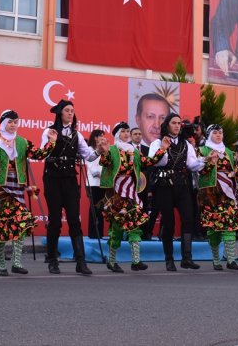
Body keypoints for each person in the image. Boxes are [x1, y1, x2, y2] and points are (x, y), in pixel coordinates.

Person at [0, 110, 56, 276]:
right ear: (3, 123)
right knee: (0, 227)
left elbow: (39, 154)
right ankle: (1, 264)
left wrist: (51, 142)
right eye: (10, 121)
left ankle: (16, 262)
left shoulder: (22, 142)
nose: (13, 124)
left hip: (17, 190)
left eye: (16, 121)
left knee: (22, 223)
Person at [42, 99, 105, 275]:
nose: (70, 113)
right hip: (53, 179)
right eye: (67, 110)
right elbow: (42, 153)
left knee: (74, 221)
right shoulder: (49, 131)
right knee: (55, 220)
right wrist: (51, 142)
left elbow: (89, 156)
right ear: (60, 113)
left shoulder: (77, 135)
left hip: (70, 179)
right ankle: (52, 260)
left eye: (72, 110)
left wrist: (99, 151)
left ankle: (81, 261)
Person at [99, 122, 167, 272]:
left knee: (134, 228)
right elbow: (105, 162)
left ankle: (136, 261)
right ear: (117, 134)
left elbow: (147, 162)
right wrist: (103, 152)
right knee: (116, 229)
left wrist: (162, 149)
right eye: (123, 131)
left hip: (131, 194)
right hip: (117, 194)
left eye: (128, 131)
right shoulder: (112, 150)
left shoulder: (134, 151)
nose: (126, 134)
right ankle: (111, 261)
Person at [149, 113, 213, 271]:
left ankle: (187, 258)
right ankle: (169, 259)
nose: (177, 126)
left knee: (188, 218)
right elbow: (156, 162)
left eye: (179, 123)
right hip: (164, 186)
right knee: (169, 222)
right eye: (174, 123)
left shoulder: (186, 144)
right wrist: (164, 148)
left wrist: (205, 160)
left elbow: (192, 165)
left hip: (182, 185)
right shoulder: (157, 142)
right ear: (167, 125)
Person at [197, 124, 238, 271]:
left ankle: (230, 259)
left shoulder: (229, 153)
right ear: (209, 135)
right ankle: (216, 259)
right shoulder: (202, 150)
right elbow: (199, 171)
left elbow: (235, 173)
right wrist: (209, 161)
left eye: (221, 133)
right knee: (213, 229)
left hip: (228, 194)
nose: (219, 135)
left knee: (230, 225)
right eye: (215, 133)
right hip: (210, 194)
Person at [85, 130, 106, 240]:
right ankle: (93, 234)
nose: (103, 138)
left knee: (101, 208)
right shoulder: (89, 149)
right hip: (93, 182)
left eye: (104, 136)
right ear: (95, 138)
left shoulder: (105, 150)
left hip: (102, 183)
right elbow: (91, 166)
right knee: (94, 208)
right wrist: (99, 174)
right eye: (100, 136)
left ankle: (100, 233)